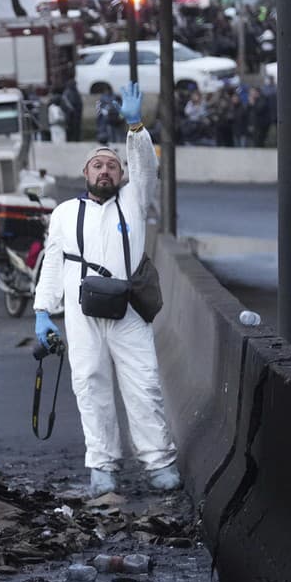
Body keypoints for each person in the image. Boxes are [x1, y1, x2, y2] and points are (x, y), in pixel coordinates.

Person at [33, 81, 179, 497]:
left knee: (144, 383)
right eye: (97, 165)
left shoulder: (134, 199)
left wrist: (135, 128)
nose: (104, 170)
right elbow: (54, 261)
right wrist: (44, 312)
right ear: (85, 173)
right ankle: (103, 467)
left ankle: (158, 462)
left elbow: (146, 167)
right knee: (90, 385)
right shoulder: (63, 213)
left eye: (111, 166)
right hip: (81, 311)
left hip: (128, 309)